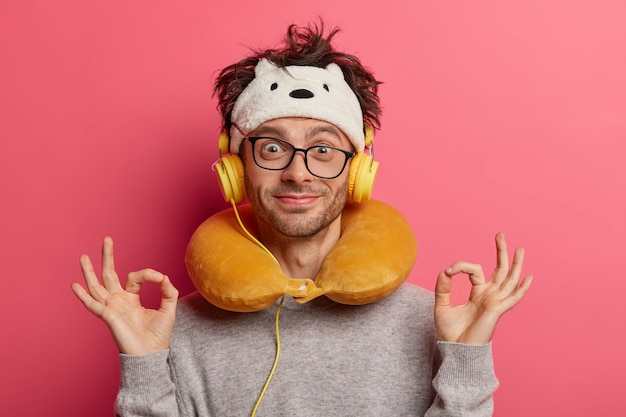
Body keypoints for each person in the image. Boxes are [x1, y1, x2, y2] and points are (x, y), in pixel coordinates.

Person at [72, 21, 533, 417]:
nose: (297, 172)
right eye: (272, 147)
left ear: (357, 171)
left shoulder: (431, 322)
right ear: (236, 167)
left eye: (324, 149)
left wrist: (466, 360)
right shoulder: (181, 330)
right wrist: (146, 367)